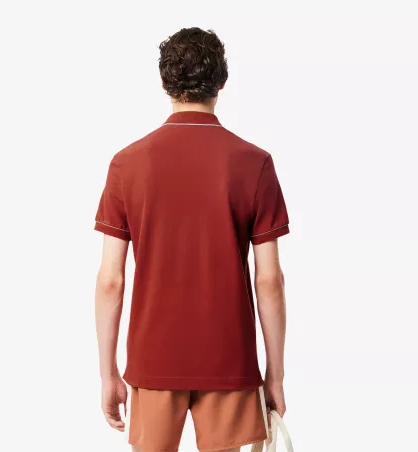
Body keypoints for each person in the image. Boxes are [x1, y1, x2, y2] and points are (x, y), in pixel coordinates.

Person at [94, 27, 290, 452]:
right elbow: (269, 280)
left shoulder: (126, 164)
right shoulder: (254, 163)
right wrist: (274, 374)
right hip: (229, 359)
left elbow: (111, 280)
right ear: (222, 82)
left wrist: (108, 372)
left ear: (165, 83)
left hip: (153, 357)